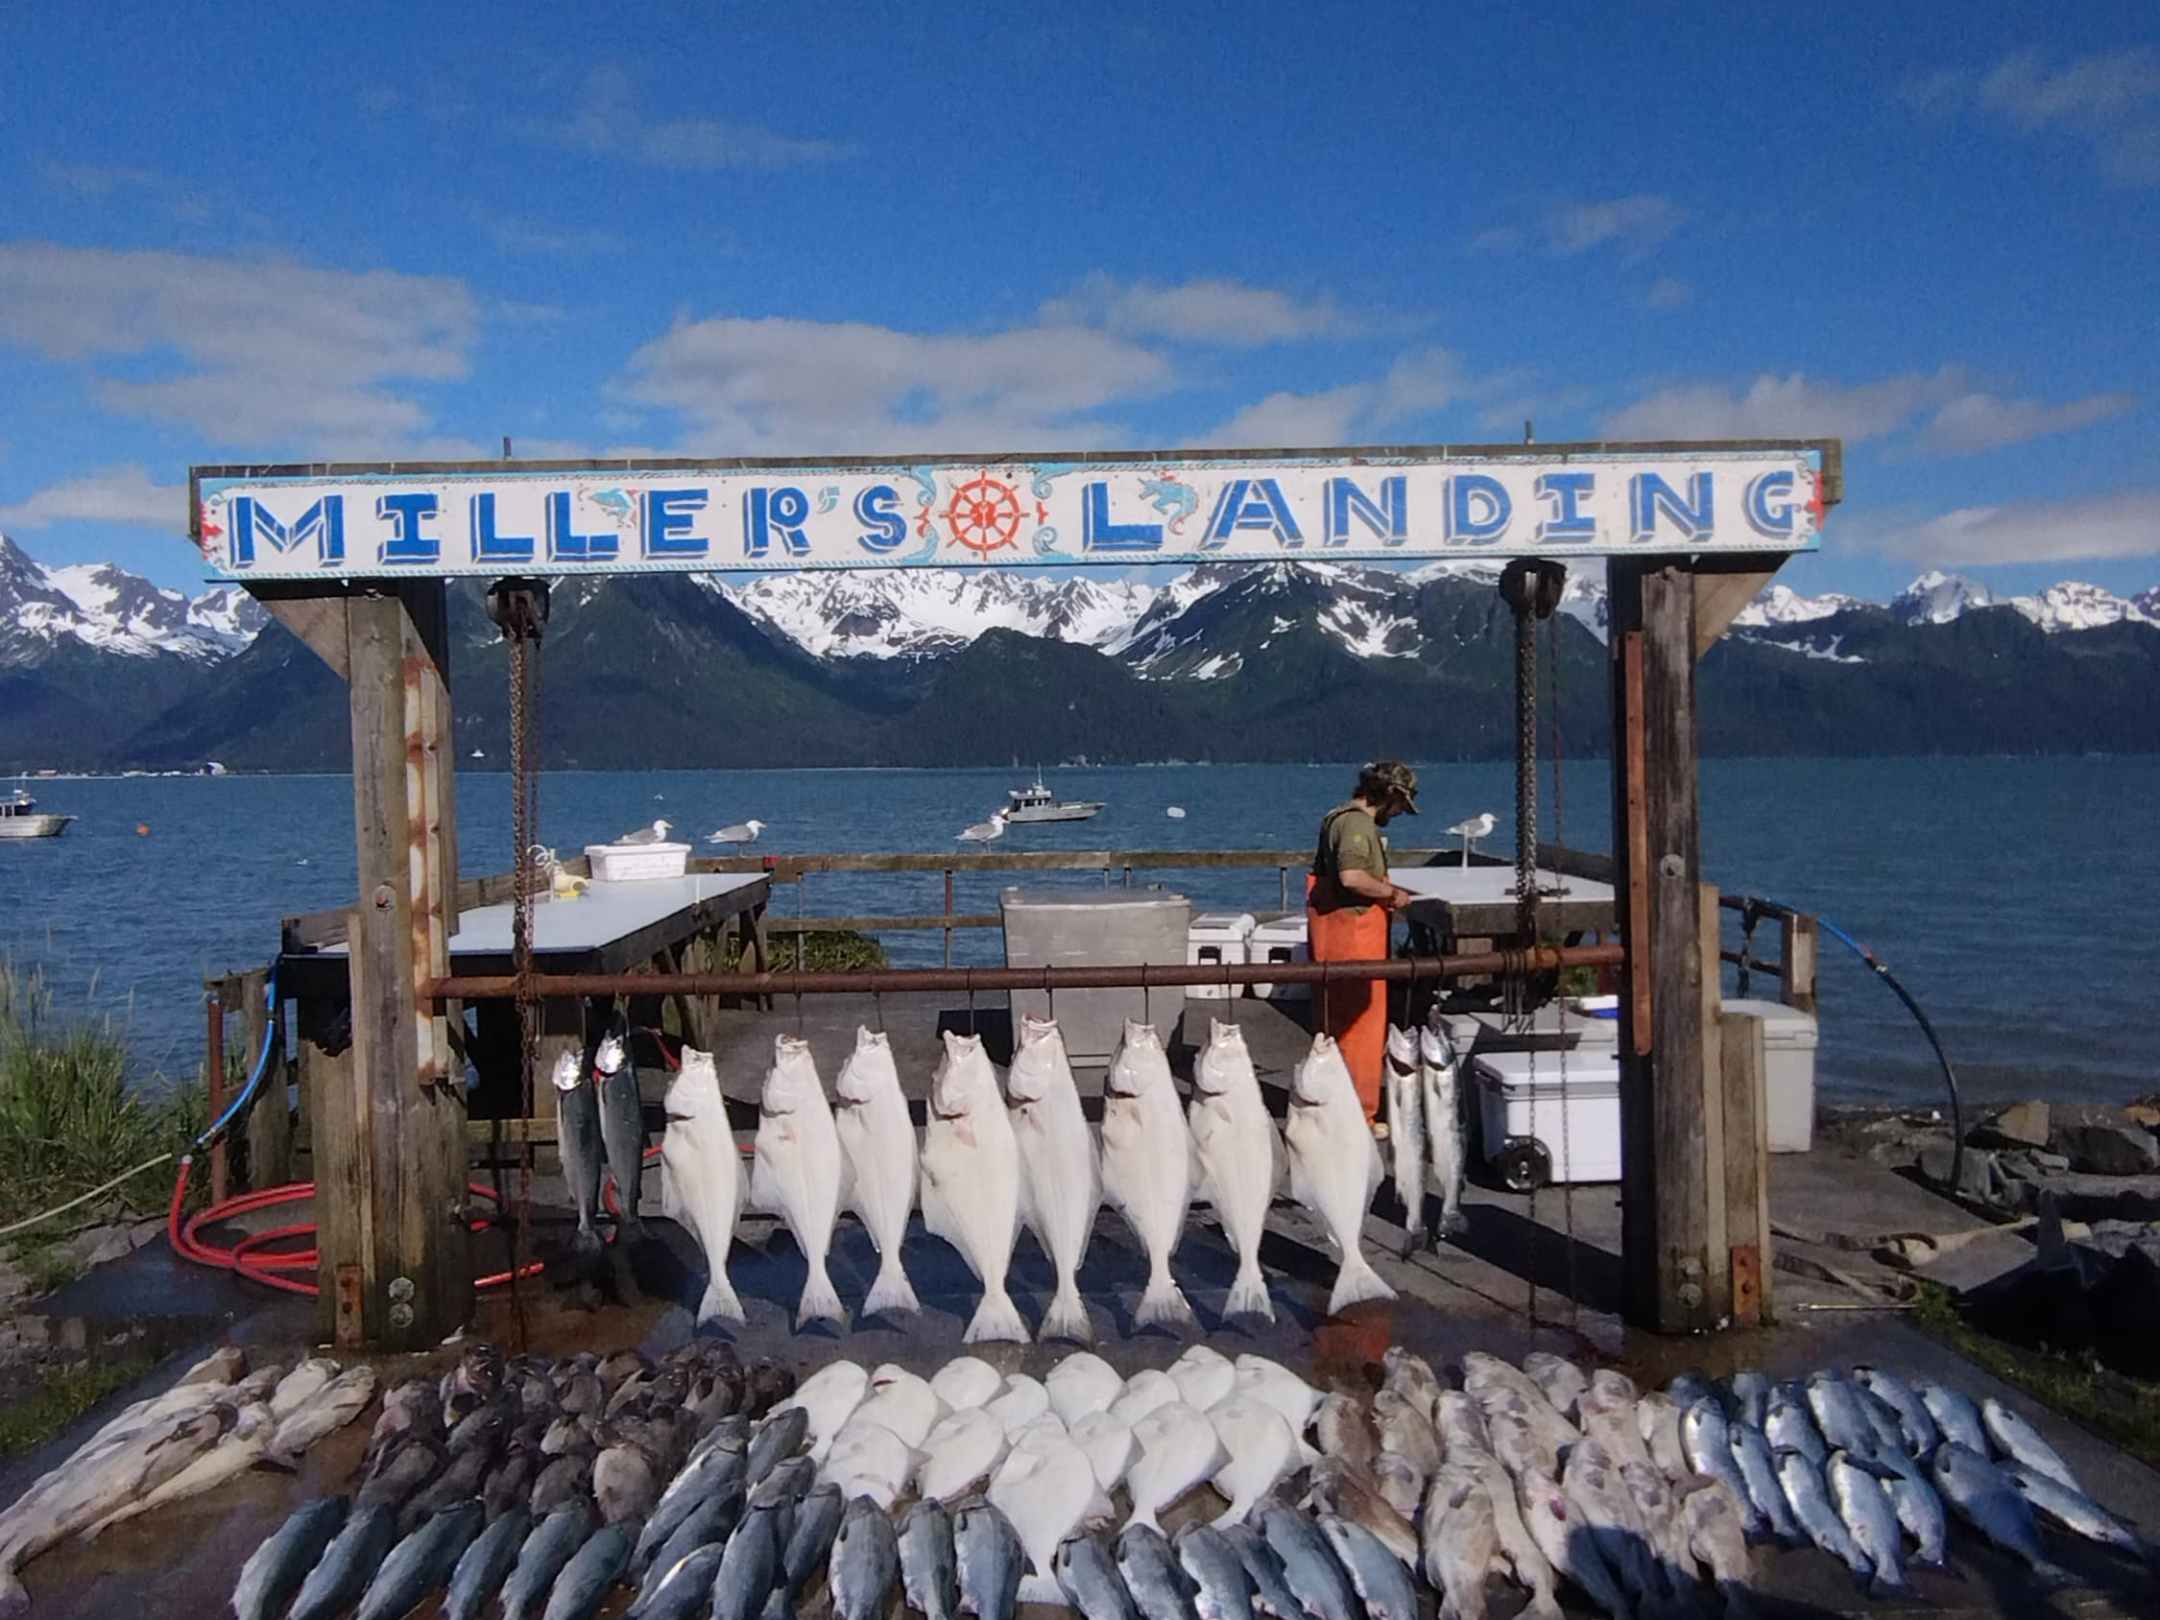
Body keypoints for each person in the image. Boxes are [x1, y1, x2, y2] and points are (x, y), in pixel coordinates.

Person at [1307, 760, 1419, 1129]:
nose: (1401, 813)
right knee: (1359, 1030)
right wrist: (1392, 893)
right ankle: (1358, 1119)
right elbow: (1352, 876)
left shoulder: (1335, 817)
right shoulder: (1356, 824)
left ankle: (1337, 1111)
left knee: (1338, 1028)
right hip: (1352, 939)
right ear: (1388, 795)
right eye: (1401, 805)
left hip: (1338, 934)